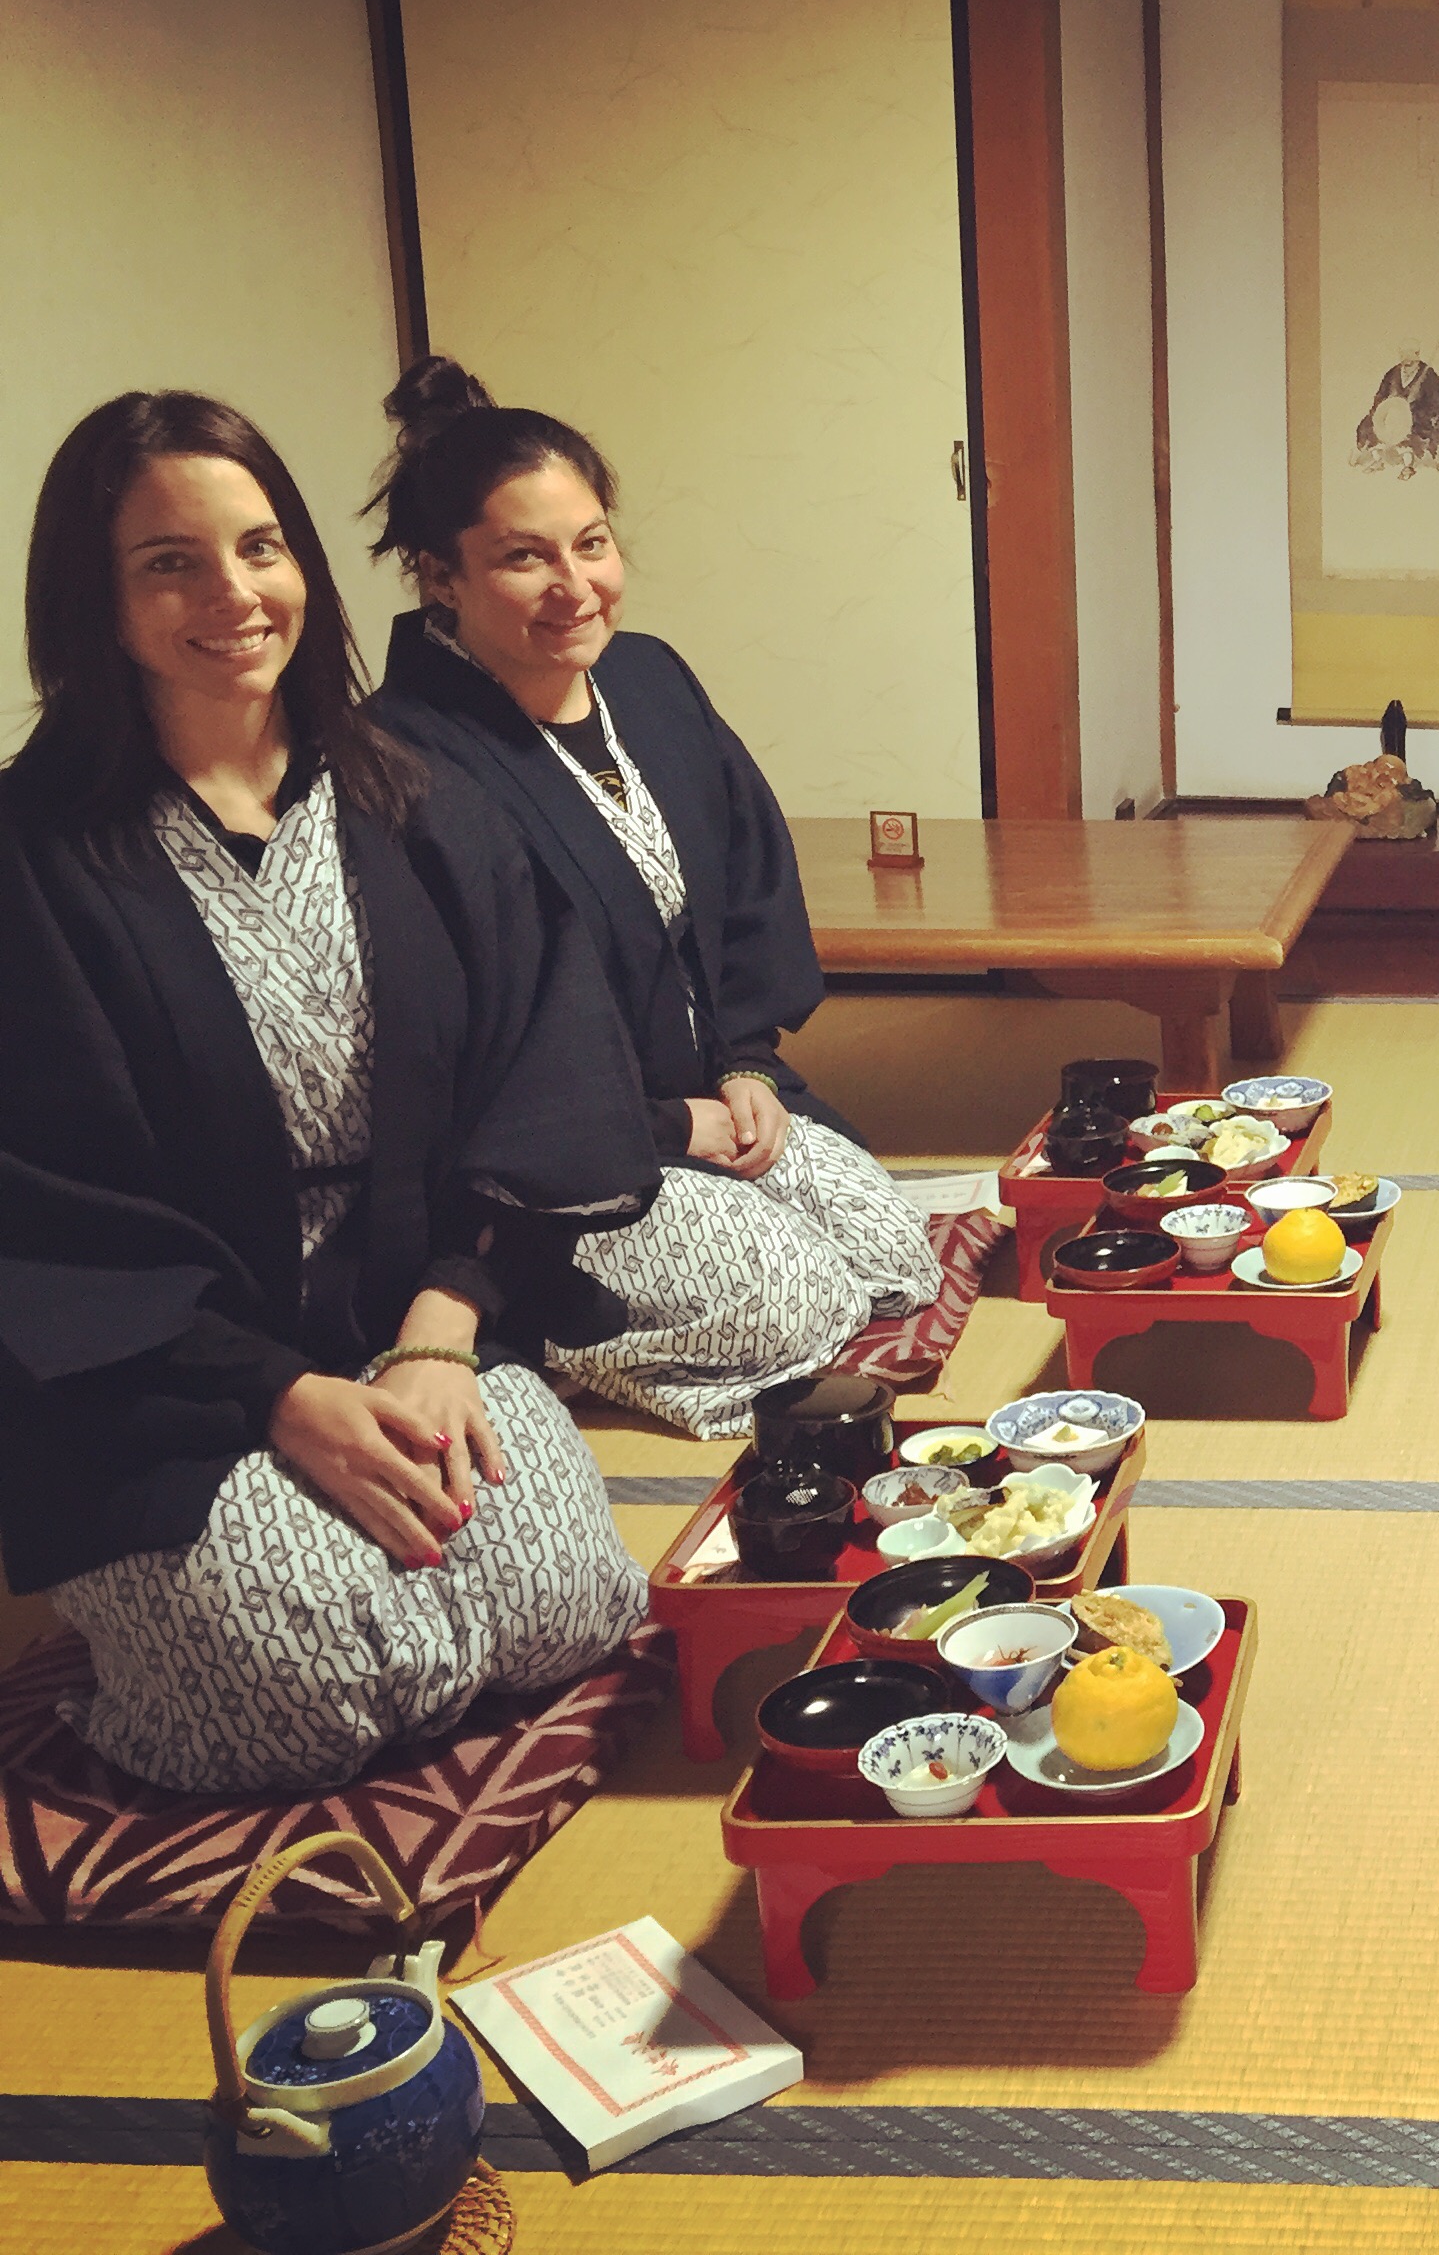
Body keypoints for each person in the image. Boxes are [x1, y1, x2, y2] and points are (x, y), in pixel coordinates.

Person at [0, 391, 660, 1793]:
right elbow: (43, 1210)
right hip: (166, 1374)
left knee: (560, 1612)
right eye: (170, 563)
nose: (234, 596)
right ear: (90, 597)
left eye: (260, 548)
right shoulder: (30, 857)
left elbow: (543, 1058)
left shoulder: (412, 796)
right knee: (305, 1690)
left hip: (411, 1307)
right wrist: (280, 1394)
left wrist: (445, 1324)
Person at [365, 359, 939, 1440]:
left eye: (590, 544)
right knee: (798, 1302)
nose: (574, 587)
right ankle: (541, 1336)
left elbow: (745, 877)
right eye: (523, 558)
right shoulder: (406, 762)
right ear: (440, 576)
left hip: (711, 1092)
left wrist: (746, 1062)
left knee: (893, 1260)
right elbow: (457, 1050)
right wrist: (670, 1125)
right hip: (558, 1169)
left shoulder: (649, 679)